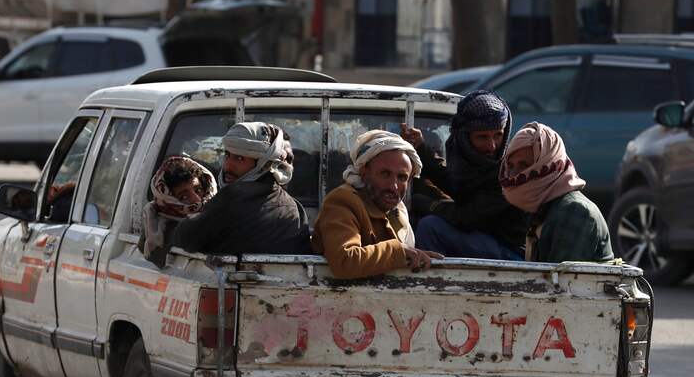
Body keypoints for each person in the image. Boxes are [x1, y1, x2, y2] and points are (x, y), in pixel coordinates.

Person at [400, 90, 528, 260]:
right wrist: (421, 148)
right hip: (488, 242)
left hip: (511, 253)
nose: (492, 146)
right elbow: (456, 184)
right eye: (482, 137)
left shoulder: (509, 172)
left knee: (430, 227)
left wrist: (429, 205)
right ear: (464, 138)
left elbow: (467, 217)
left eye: (498, 135)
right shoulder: (475, 167)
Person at [312, 130, 442, 279]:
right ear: (364, 172)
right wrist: (400, 251)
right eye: (385, 174)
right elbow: (345, 260)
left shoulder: (398, 211)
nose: (393, 186)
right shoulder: (343, 201)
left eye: (402, 177)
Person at [170, 122, 311, 255]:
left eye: (239, 159)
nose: (227, 166)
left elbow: (183, 240)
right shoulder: (293, 206)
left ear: (264, 164)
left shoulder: (230, 200)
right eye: (227, 155)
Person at [500, 122, 613, 263]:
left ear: (548, 165)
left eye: (525, 165)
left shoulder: (575, 211)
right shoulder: (541, 208)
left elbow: (563, 281)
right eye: (510, 166)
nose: (514, 175)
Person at [138, 155, 217, 267]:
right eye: (184, 197)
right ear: (170, 200)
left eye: (198, 190)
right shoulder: (157, 224)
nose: (197, 199)